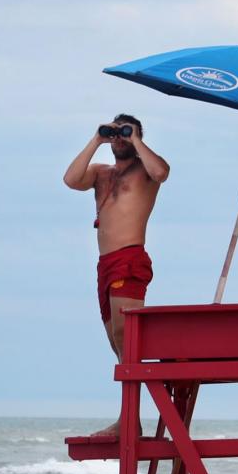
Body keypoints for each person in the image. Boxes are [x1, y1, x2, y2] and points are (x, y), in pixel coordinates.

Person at [63, 114, 170, 436]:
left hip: (130, 258)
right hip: (105, 264)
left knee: (128, 338)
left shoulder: (144, 172)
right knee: (117, 343)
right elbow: (71, 180)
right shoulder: (101, 173)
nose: (120, 138)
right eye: (117, 133)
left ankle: (130, 419)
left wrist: (136, 138)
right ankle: (129, 418)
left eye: (125, 132)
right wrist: (98, 138)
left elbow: (161, 172)